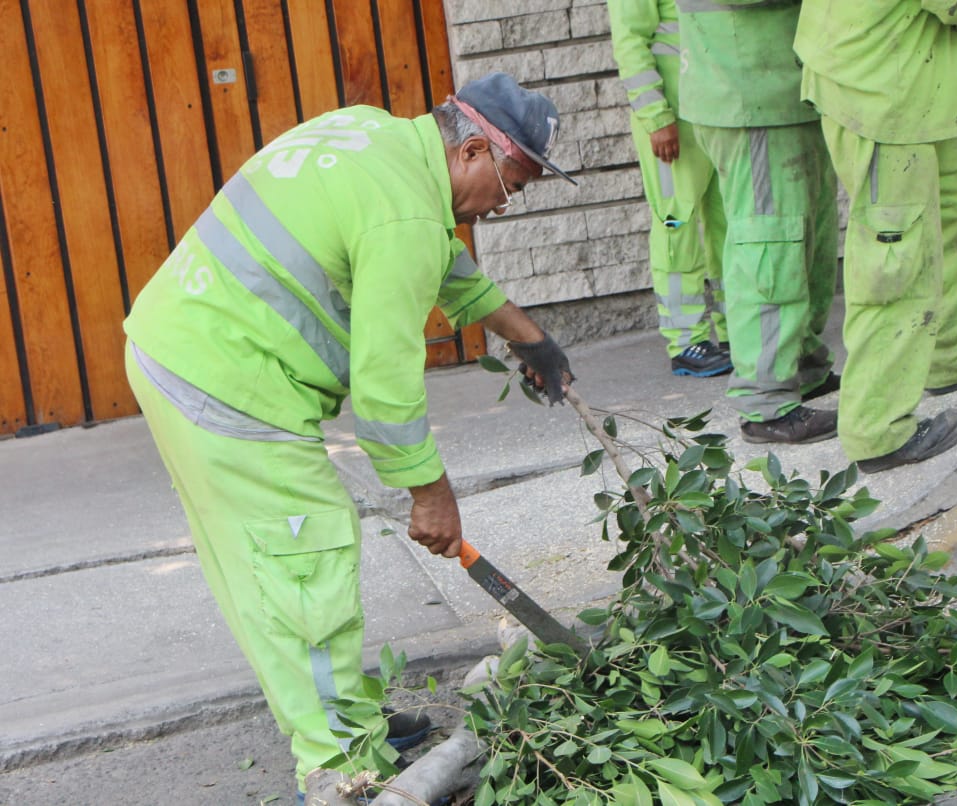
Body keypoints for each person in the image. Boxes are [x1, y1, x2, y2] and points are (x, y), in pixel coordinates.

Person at [122, 72, 577, 802]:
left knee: (263, 563)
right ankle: (341, 765)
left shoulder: (379, 138)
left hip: (176, 344)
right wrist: (431, 494)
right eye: (512, 183)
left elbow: (440, 262)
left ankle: (344, 716)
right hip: (229, 381)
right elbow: (386, 382)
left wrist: (532, 339)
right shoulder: (404, 217)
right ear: (470, 152)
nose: (504, 204)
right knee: (309, 554)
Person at [795, 1, 957, 473]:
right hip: (877, 93)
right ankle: (877, 431)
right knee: (895, 263)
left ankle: (955, 354)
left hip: (901, 80)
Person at [677, 0, 842, 443]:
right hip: (750, 93)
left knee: (805, 243)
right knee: (770, 246)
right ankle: (766, 402)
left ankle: (800, 367)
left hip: (778, 89)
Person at [607, 0, 732, 378]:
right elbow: (630, 42)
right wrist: (657, 118)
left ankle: (735, 331)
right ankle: (686, 341)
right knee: (676, 225)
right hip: (673, 120)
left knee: (727, 224)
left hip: (716, 111)